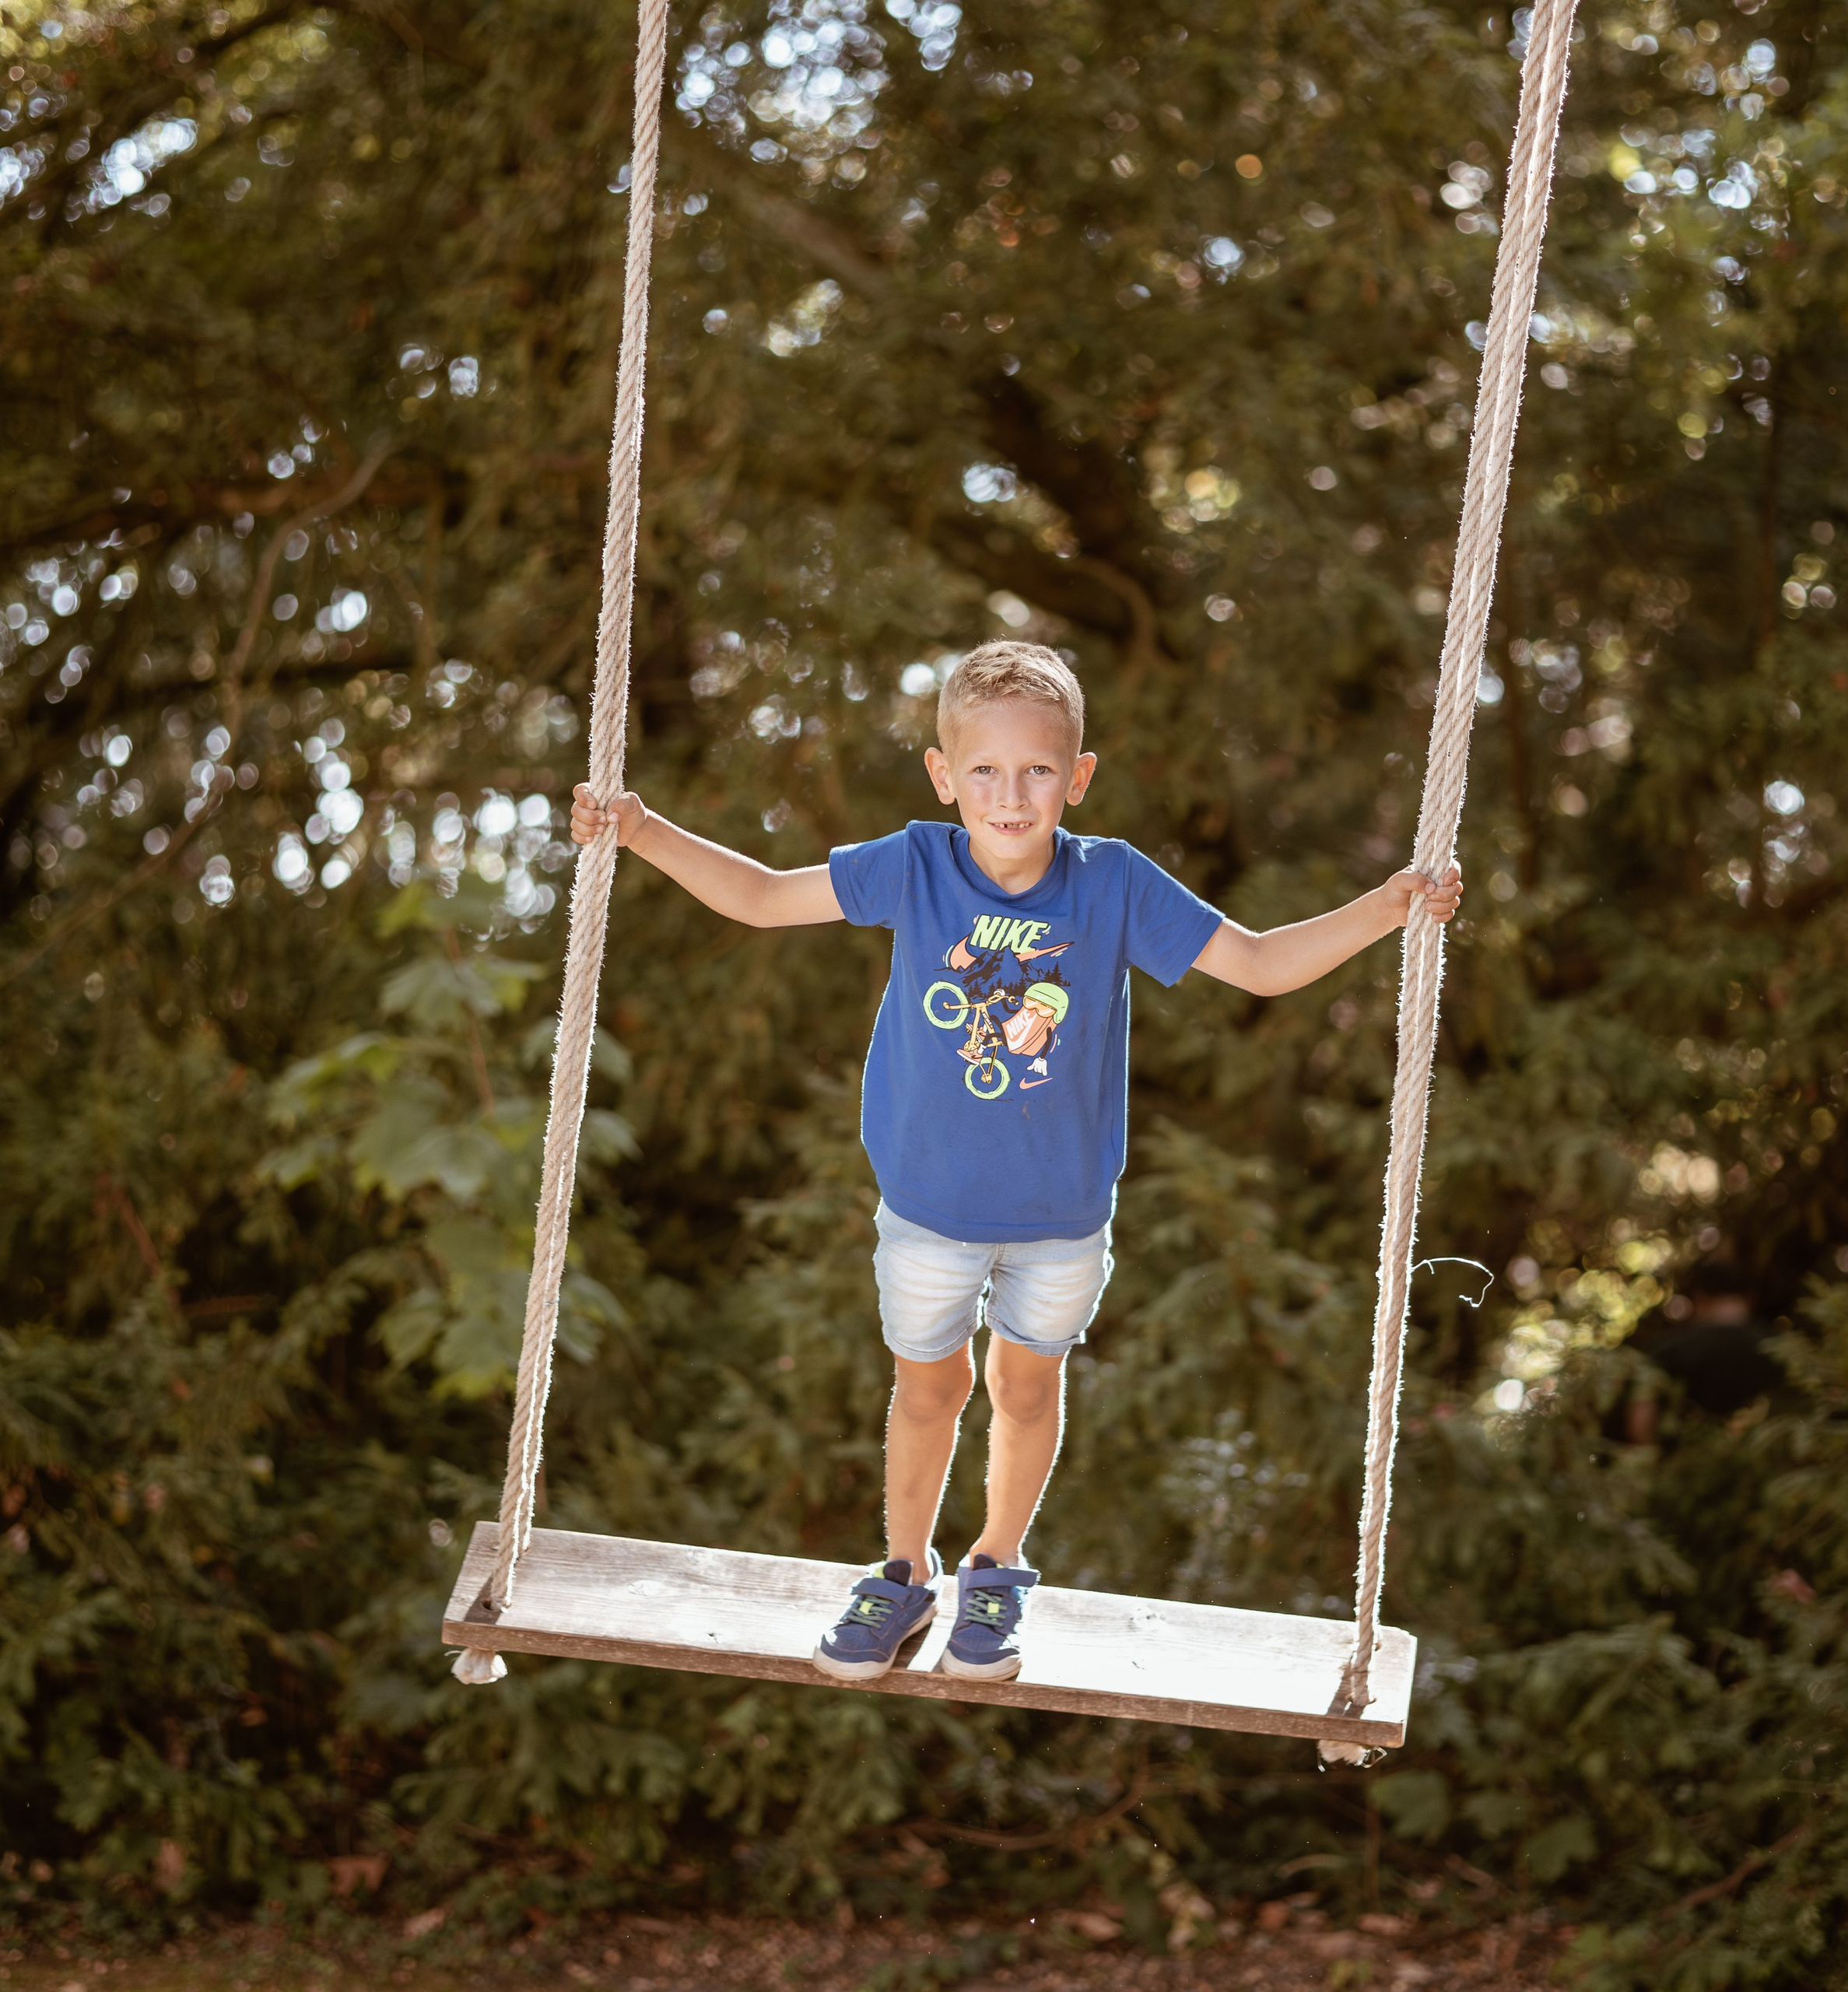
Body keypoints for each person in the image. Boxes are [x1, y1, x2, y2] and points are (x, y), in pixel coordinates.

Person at [570, 642, 1461, 1685]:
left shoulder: (1114, 883)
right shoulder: (915, 864)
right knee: (926, 1391)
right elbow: (765, 897)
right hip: (928, 1209)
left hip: (1060, 1217)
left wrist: (1394, 905)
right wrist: (639, 828)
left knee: (1026, 1389)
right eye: (984, 772)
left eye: (1038, 770)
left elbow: (1260, 965)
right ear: (944, 777)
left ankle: (994, 1570)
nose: (1010, 795)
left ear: (1078, 779)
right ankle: (903, 1573)